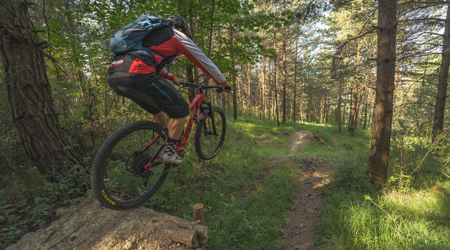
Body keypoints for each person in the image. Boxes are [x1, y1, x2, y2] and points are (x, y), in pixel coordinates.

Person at [106, 14, 231, 165]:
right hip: (137, 73)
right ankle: (170, 152)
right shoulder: (175, 35)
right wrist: (222, 81)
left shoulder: (148, 37)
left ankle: (166, 138)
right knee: (181, 109)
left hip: (115, 75)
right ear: (180, 29)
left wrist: (172, 78)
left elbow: (148, 59)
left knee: (158, 111)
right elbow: (202, 59)